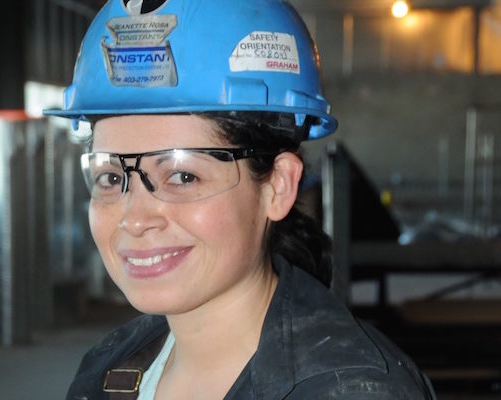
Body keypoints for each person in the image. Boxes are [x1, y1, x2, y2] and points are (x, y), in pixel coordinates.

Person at [46, 0, 437, 398]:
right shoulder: (109, 368)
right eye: (111, 177)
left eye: (182, 176)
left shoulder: (355, 390)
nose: (134, 217)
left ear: (278, 186)